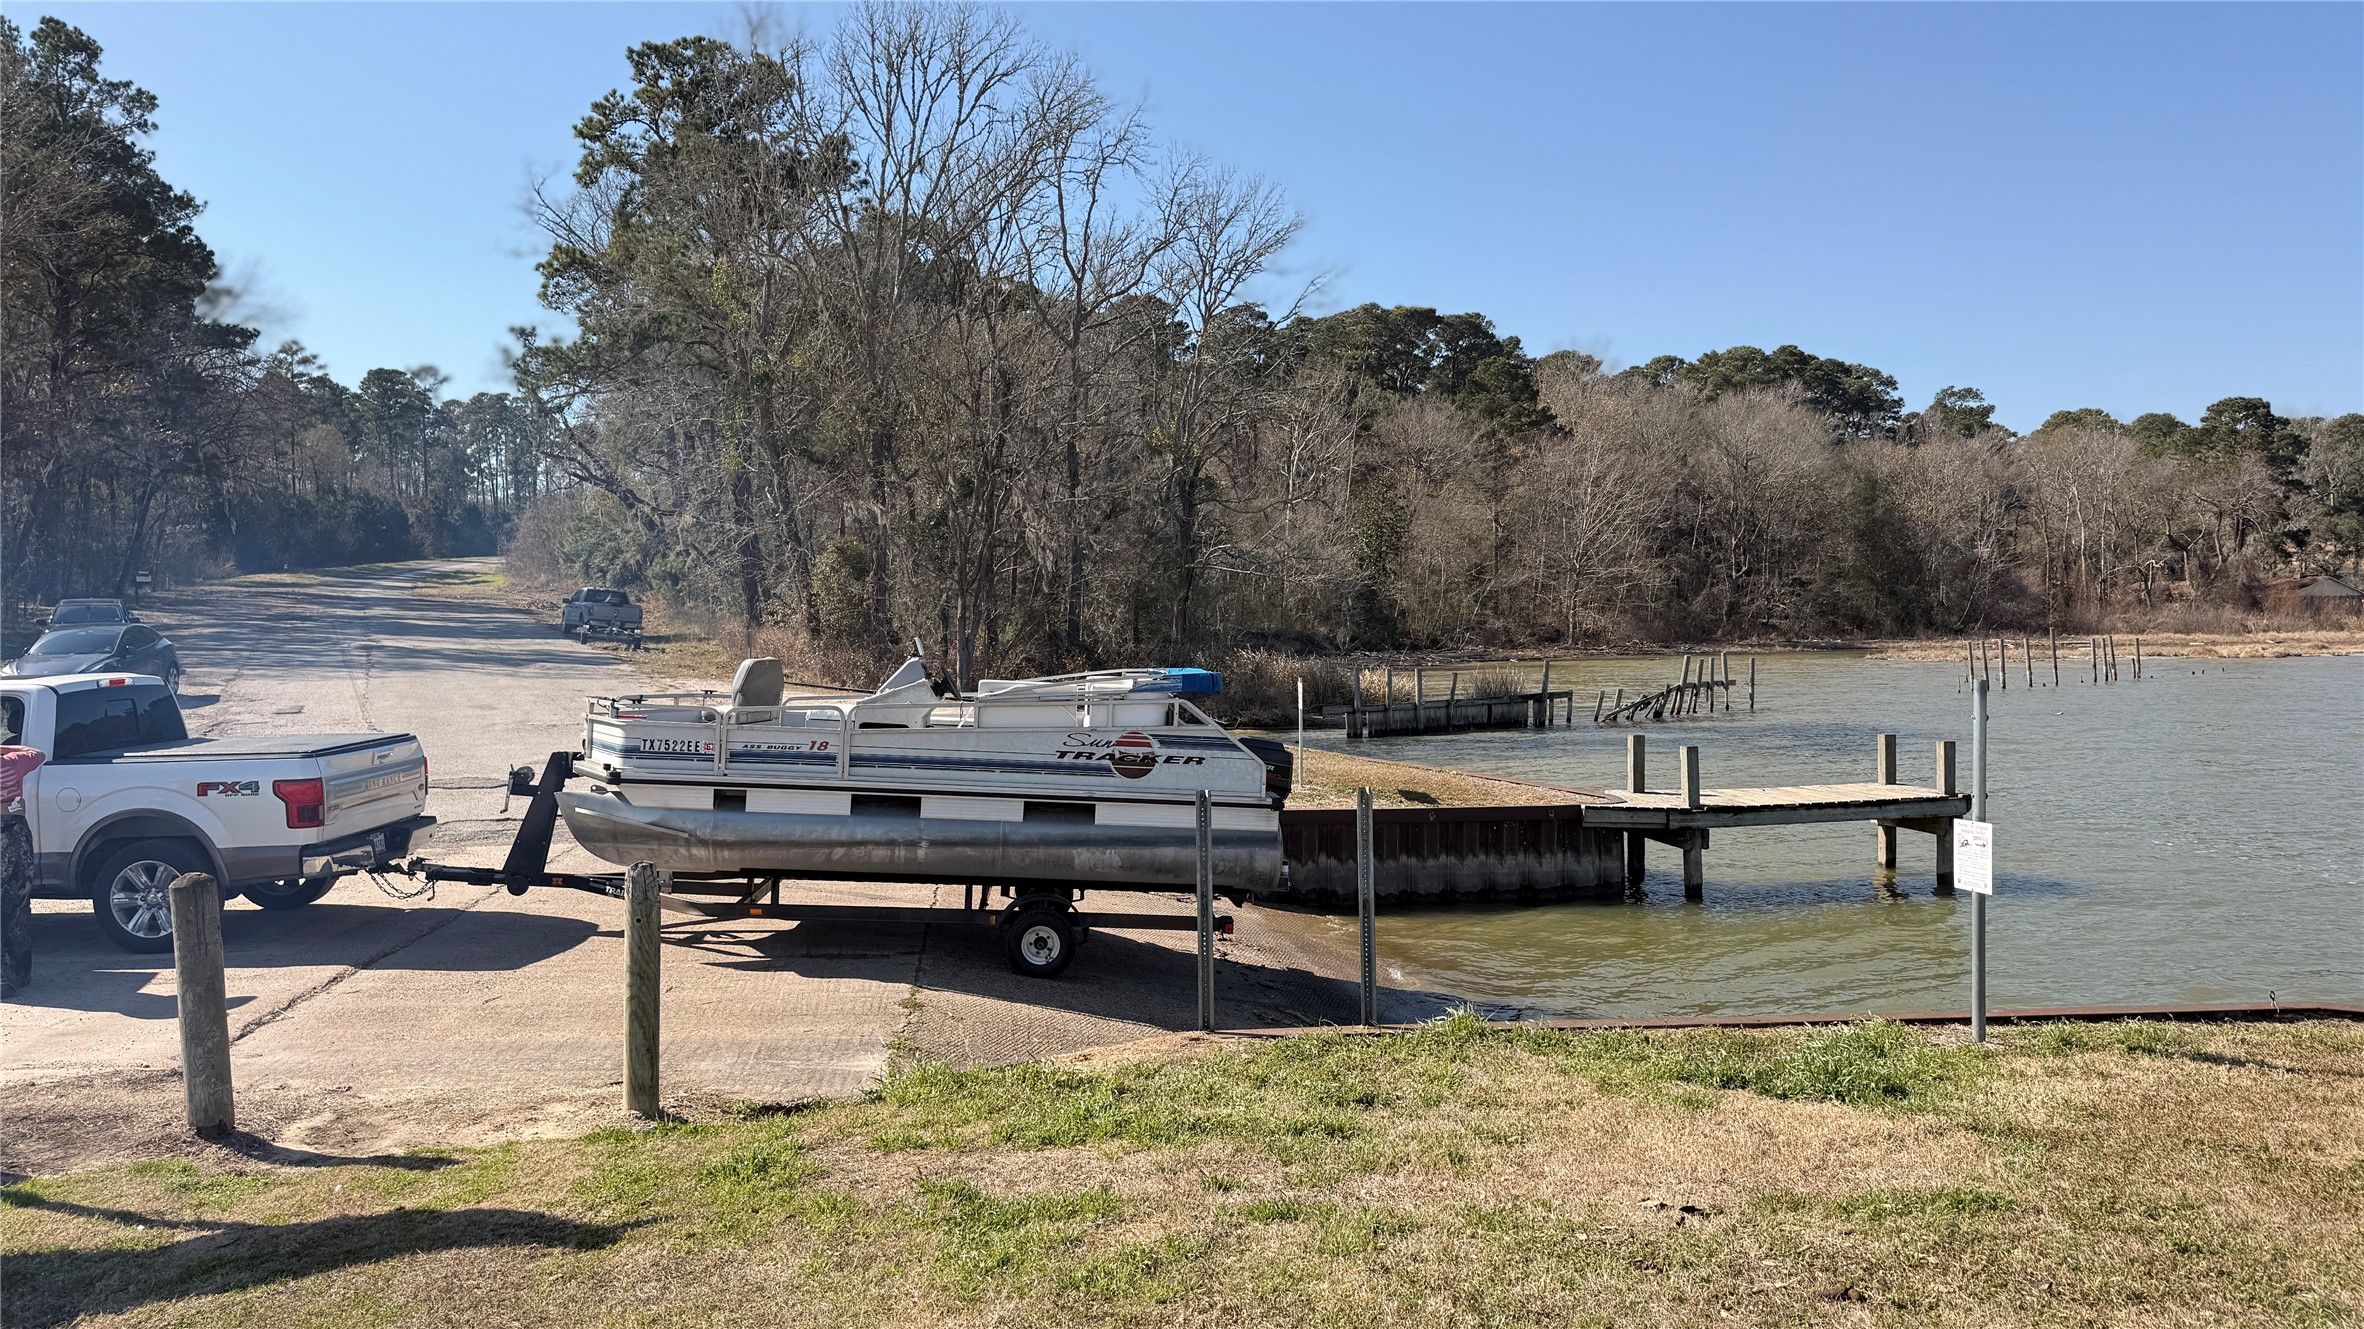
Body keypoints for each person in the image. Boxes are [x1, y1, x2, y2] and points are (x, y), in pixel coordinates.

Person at [1, 732, 42, 998]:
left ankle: (3, 980)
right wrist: (5, 748)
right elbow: (38, 754)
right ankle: (21, 973)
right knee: (16, 906)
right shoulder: (13, 762)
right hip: (17, 832)